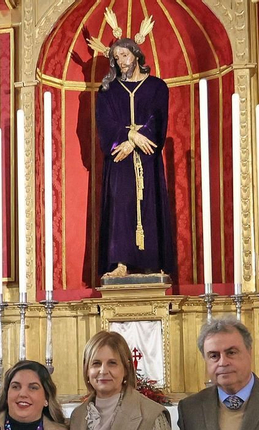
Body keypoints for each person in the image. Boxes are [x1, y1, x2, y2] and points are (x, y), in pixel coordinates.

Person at [95, 38, 175, 279]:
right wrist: (129, 136)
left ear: (137, 56)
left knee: (149, 202)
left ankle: (152, 263)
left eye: (125, 55)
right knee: (120, 206)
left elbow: (158, 119)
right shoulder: (108, 91)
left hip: (147, 157)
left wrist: (136, 140)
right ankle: (120, 263)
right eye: (116, 58)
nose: (121, 62)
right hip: (119, 160)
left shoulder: (157, 87)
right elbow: (104, 123)